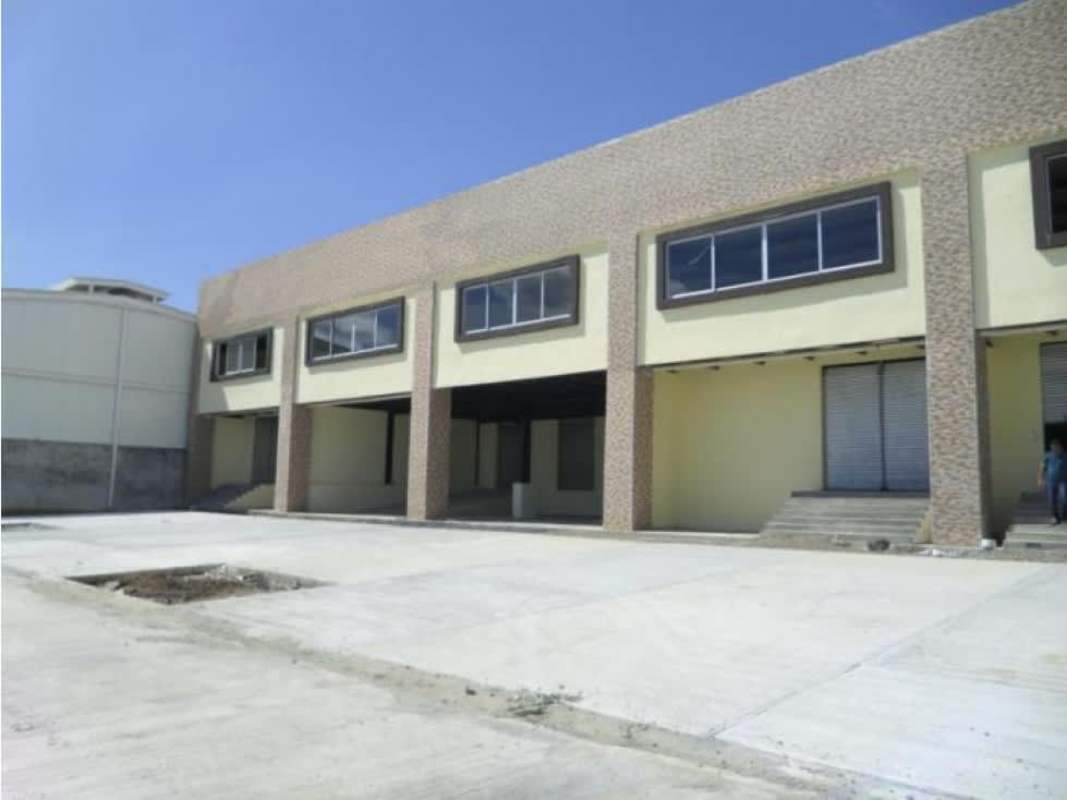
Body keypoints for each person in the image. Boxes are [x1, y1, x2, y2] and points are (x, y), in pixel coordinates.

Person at [1038, 438, 1066, 524]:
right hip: (1051, 481)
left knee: (1065, 498)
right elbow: (1042, 467)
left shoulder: (1065, 456)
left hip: (1063, 481)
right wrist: (1040, 479)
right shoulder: (1048, 455)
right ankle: (1055, 517)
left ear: (1060, 447)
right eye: (1052, 448)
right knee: (1052, 500)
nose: (1054, 450)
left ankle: (1064, 515)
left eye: (1056, 448)